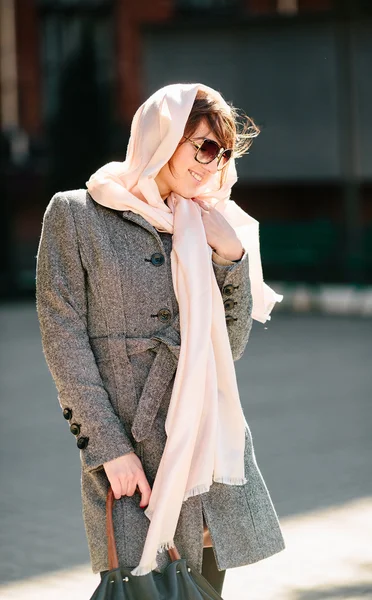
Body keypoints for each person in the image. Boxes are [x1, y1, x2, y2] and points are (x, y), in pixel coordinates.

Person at [36, 83, 285, 596]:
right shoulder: (76, 214)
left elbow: (229, 349)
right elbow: (64, 343)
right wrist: (107, 448)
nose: (213, 164)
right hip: (132, 462)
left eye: (224, 152)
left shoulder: (212, 223)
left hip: (203, 463)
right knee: (140, 588)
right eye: (204, 146)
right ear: (162, 136)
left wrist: (231, 261)